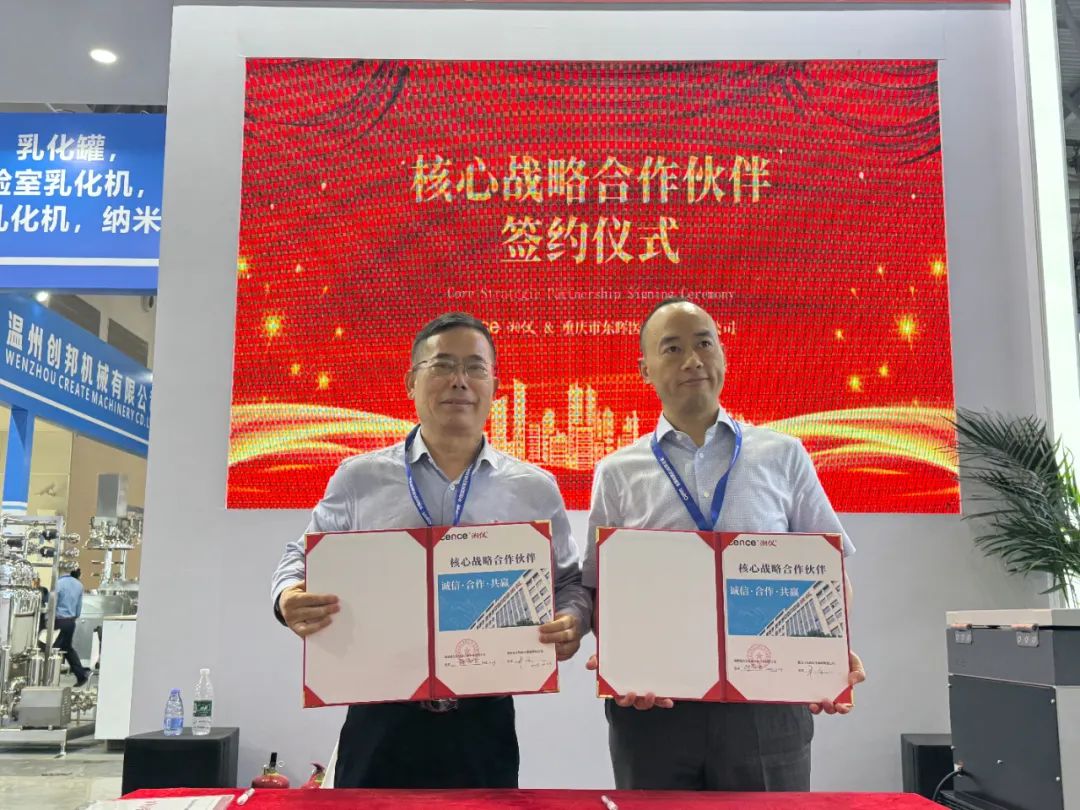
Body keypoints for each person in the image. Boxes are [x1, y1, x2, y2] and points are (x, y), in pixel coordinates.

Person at [271, 312, 590, 789]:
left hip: (483, 721)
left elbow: (568, 582)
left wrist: (572, 620)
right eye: (442, 365)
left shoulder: (533, 488)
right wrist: (287, 597)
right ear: (411, 382)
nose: (460, 380)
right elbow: (301, 556)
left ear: (494, 386)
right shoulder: (360, 479)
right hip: (380, 717)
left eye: (475, 368)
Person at [582, 297, 866, 792]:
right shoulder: (617, 472)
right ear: (645, 370)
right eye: (672, 348)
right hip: (654, 711)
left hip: (766, 707)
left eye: (704, 344)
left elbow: (829, 565)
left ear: (723, 355)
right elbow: (599, 588)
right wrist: (620, 660)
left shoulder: (783, 455)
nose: (692, 360)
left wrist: (827, 654)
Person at [53, 567, 90, 688]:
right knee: (67, 648)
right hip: (70, 622)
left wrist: (48, 619)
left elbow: (53, 603)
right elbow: (79, 608)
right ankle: (81, 675)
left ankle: (50, 679)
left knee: (53, 649)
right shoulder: (79, 585)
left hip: (58, 621)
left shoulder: (58, 583)